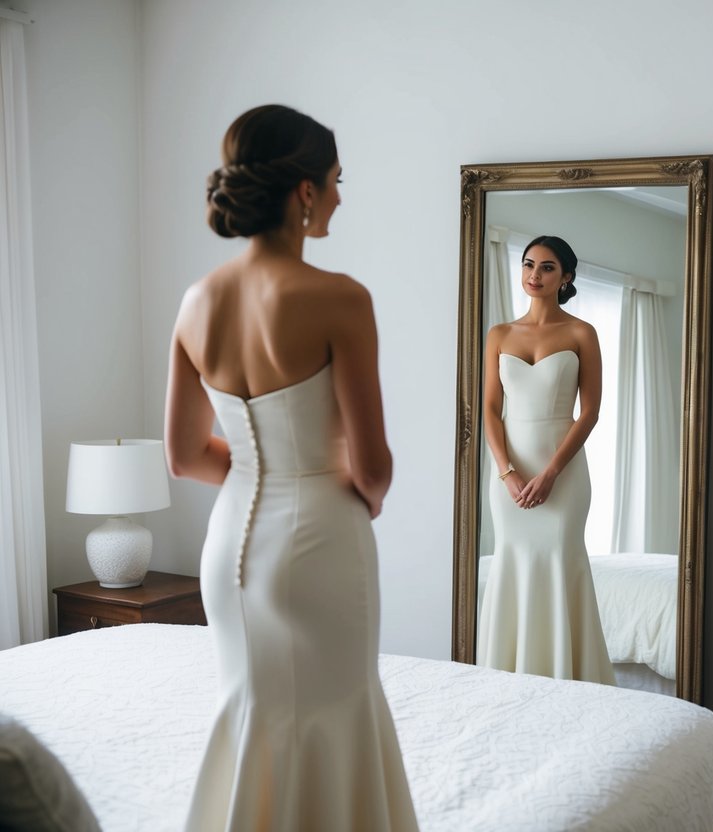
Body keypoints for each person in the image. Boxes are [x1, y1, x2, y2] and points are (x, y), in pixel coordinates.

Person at [164, 104, 419, 831]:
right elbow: (372, 469)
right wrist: (328, 488)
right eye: (336, 180)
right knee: (334, 715)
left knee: (252, 708)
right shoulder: (339, 298)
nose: (340, 195)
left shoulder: (195, 302)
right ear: (304, 192)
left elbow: (183, 456)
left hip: (227, 549)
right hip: (318, 546)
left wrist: (259, 474)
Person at [476, 236, 615, 684]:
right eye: (528, 264)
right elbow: (490, 412)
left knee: (560, 561)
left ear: (566, 277)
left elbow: (589, 412)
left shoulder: (581, 333)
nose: (534, 275)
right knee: (511, 560)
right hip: (509, 475)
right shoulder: (499, 334)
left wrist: (552, 472)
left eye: (547, 268)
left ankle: (567, 681)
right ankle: (506, 682)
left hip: (565, 475)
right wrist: (507, 472)